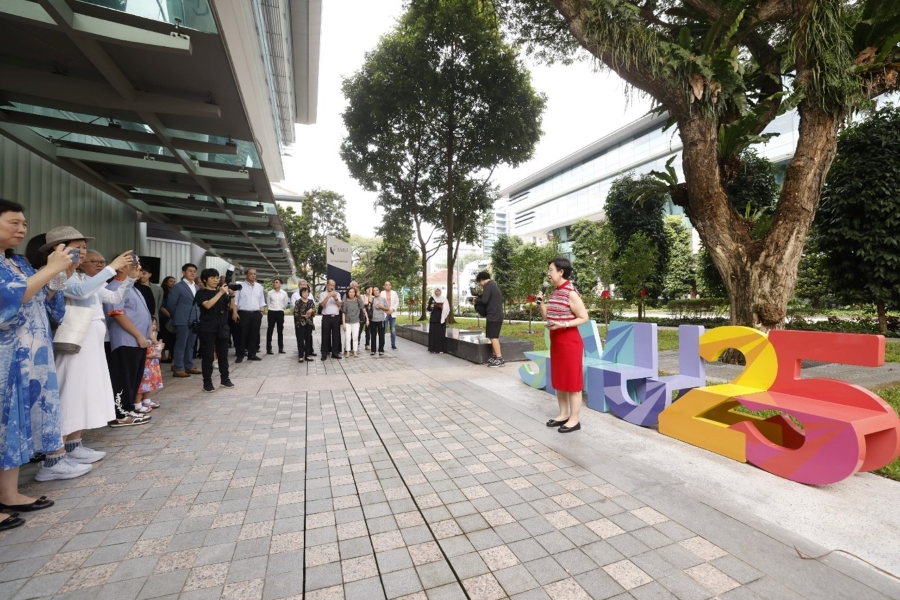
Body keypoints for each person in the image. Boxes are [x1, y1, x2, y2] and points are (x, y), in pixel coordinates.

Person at [47, 235, 143, 477]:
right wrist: (111, 267)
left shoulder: (82, 276)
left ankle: (72, 444)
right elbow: (79, 292)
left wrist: (127, 278)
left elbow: (113, 297)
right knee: (69, 391)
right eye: (77, 249)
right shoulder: (59, 274)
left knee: (84, 392)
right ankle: (53, 457)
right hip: (75, 342)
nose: (81, 252)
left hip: (91, 342)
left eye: (83, 248)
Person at [0, 200, 71, 527]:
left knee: (13, 426)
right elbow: (11, 299)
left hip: (28, 359)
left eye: (24, 224)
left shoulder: (18, 263)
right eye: (14, 222)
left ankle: (9, 493)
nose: (22, 229)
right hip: (5, 358)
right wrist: (51, 269)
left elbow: (41, 298)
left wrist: (57, 278)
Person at [536, 257, 590, 433]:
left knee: (572, 382)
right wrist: (541, 304)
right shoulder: (554, 292)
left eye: (551, 270)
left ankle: (574, 420)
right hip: (557, 341)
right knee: (560, 380)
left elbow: (584, 317)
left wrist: (564, 324)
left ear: (561, 272)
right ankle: (563, 414)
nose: (548, 274)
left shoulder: (570, 292)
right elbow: (548, 317)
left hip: (570, 342)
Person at [104, 257, 154, 425]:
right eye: (133, 265)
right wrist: (139, 336)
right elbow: (117, 313)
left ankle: (129, 409)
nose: (138, 268)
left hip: (137, 341)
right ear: (120, 268)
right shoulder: (115, 286)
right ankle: (120, 414)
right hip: (125, 340)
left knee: (133, 378)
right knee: (123, 378)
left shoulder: (131, 286)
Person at [195, 269, 235, 392]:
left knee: (223, 355)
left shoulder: (222, 293)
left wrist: (231, 295)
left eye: (217, 277)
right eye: (212, 278)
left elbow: (231, 308)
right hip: (207, 328)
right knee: (208, 356)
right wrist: (220, 293)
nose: (215, 280)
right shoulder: (201, 293)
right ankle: (207, 382)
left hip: (222, 327)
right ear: (205, 280)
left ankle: (225, 379)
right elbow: (207, 305)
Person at [167, 263, 200, 377]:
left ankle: (189, 366)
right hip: (182, 320)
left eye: (194, 271)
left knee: (190, 344)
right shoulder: (178, 287)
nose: (192, 273)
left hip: (194, 320)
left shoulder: (196, 287)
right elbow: (171, 304)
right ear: (183, 272)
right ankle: (178, 368)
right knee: (181, 345)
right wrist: (178, 315)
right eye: (190, 271)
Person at [233, 267, 265, 362]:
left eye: (254, 274)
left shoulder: (259, 286)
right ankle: (240, 355)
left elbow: (261, 301)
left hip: (256, 314)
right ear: (246, 275)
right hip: (243, 313)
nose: (253, 276)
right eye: (251, 274)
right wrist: (235, 312)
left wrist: (261, 312)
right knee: (242, 335)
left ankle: (252, 354)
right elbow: (235, 301)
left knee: (254, 335)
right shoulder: (240, 286)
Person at [476, 271, 505, 367]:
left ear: (481, 280)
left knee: (493, 337)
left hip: (494, 315)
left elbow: (484, 300)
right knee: (492, 336)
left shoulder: (488, 285)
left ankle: (500, 359)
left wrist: (475, 300)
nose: (480, 285)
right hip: (496, 314)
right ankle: (494, 356)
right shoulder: (493, 285)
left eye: (479, 283)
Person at [135, 321, 164, 411]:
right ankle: (137, 404)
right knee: (141, 384)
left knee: (148, 384)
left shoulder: (153, 336)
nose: (153, 326)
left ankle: (147, 400)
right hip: (145, 363)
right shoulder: (141, 336)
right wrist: (150, 356)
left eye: (155, 324)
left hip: (151, 365)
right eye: (151, 324)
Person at [319, 279, 343, 360]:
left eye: (333, 285)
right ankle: (324, 353)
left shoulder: (338, 294)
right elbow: (322, 305)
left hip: (336, 317)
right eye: (331, 285)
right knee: (325, 335)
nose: (332, 286)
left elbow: (340, 305)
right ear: (327, 285)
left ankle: (335, 353)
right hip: (326, 317)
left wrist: (335, 297)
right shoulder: (322, 294)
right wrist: (328, 296)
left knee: (336, 336)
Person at [341, 286, 367, 357]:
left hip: (356, 322)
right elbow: (343, 313)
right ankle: (348, 351)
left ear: (355, 293)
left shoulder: (358, 301)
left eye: (353, 292)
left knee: (355, 337)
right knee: (347, 337)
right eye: (350, 292)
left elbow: (363, 309)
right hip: (347, 322)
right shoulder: (345, 302)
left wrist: (367, 318)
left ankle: (355, 351)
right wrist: (343, 323)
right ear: (348, 293)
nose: (351, 294)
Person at [265, 277, 288, 354]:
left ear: (280, 284)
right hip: (271, 312)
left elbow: (285, 303)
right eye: (274, 282)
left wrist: (281, 308)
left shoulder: (284, 293)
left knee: (280, 331)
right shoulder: (270, 293)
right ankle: (268, 349)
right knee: (270, 330)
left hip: (280, 312)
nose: (275, 284)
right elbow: (268, 302)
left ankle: (281, 348)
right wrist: (271, 308)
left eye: (277, 282)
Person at [293, 287, 316, 362]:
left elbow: (315, 312)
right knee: (300, 340)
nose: (306, 294)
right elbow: (296, 313)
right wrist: (303, 316)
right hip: (300, 323)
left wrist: (311, 311)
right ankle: (300, 356)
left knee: (308, 339)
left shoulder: (311, 301)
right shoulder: (298, 302)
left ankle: (307, 355)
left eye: (307, 292)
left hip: (309, 323)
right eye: (304, 292)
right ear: (301, 293)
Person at [157, 275, 176, 362]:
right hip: (163, 317)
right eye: (171, 281)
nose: (173, 283)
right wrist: (170, 315)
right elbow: (161, 306)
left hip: (173, 317)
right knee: (163, 336)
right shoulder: (162, 292)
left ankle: (171, 356)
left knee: (172, 337)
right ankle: (163, 355)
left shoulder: (174, 292)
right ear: (166, 282)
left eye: (174, 281)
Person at [427, 287, 450, 353]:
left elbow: (447, 308)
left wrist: (443, 307)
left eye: (439, 291)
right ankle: (433, 349)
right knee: (433, 334)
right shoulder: (432, 298)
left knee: (440, 334)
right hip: (434, 318)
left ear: (441, 292)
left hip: (441, 318)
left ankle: (440, 349)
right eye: (436, 291)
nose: (437, 292)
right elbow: (428, 308)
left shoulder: (444, 299)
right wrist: (431, 306)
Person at [369, 286, 388, 356]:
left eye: (377, 290)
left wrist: (381, 307)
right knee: (373, 335)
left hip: (381, 319)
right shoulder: (372, 299)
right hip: (373, 320)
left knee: (381, 335)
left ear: (379, 291)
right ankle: (373, 350)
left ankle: (381, 350)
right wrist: (370, 292)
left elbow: (387, 308)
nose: (376, 292)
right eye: (374, 291)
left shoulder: (383, 299)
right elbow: (369, 303)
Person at [383, 280, 399, 350]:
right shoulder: (382, 293)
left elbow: (397, 302)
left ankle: (393, 344)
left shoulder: (394, 293)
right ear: (384, 286)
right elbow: (381, 302)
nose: (388, 286)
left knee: (393, 330)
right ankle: (382, 344)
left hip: (392, 314)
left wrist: (392, 309)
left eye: (389, 285)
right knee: (383, 330)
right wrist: (385, 310)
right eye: (386, 285)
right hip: (385, 314)